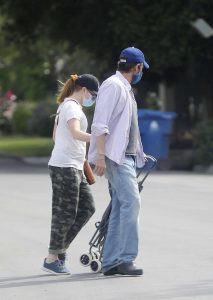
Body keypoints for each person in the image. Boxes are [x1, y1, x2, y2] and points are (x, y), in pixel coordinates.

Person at [88, 47, 149, 276]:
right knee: (132, 203)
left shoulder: (124, 88)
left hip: (126, 156)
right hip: (116, 157)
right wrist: (101, 157)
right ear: (137, 67)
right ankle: (126, 258)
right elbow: (100, 124)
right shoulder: (113, 86)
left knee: (119, 208)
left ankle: (111, 261)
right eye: (142, 68)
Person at [42, 73, 99, 275]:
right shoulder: (71, 107)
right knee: (64, 213)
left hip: (72, 165)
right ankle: (52, 258)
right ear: (83, 90)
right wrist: (100, 140)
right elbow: (75, 133)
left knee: (87, 208)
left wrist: (79, 156)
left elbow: (56, 137)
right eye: (93, 94)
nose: (93, 98)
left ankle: (59, 250)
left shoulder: (67, 107)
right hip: (65, 167)